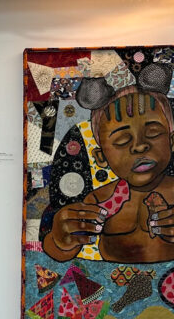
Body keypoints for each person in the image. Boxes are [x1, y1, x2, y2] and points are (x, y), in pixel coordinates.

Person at [43, 85, 174, 263]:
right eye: (122, 140)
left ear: (171, 142)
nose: (139, 146)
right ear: (102, 157)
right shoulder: (99, 200)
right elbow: (58, 254)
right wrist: (59, 240)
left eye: (153, 133)